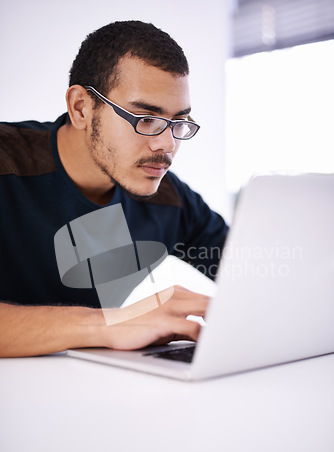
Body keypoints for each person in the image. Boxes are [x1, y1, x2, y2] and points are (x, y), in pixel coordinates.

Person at [0, 20, 228, 357]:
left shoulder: (170, 199)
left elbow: (250, 274)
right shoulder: (7, 164)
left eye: (178, 122)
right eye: (145, 118)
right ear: (81, 108)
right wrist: (111, 324)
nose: (166, 146)